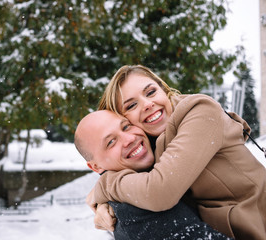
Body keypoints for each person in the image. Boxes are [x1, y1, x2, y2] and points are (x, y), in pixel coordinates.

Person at [87, 65, 266, 239]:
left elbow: (160, 192)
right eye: (131, 105)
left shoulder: (201, 111)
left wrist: (104, 186)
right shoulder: (151, 142)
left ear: (165, 91)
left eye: (151, 92)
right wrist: (106, 202)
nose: (148, 104)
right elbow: (133, 186)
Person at [75, 110, 231, 240]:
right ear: (95, 166)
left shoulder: (162, 154)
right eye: (111, 142)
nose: (130, 139)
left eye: (126, 126)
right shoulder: (136, 212)